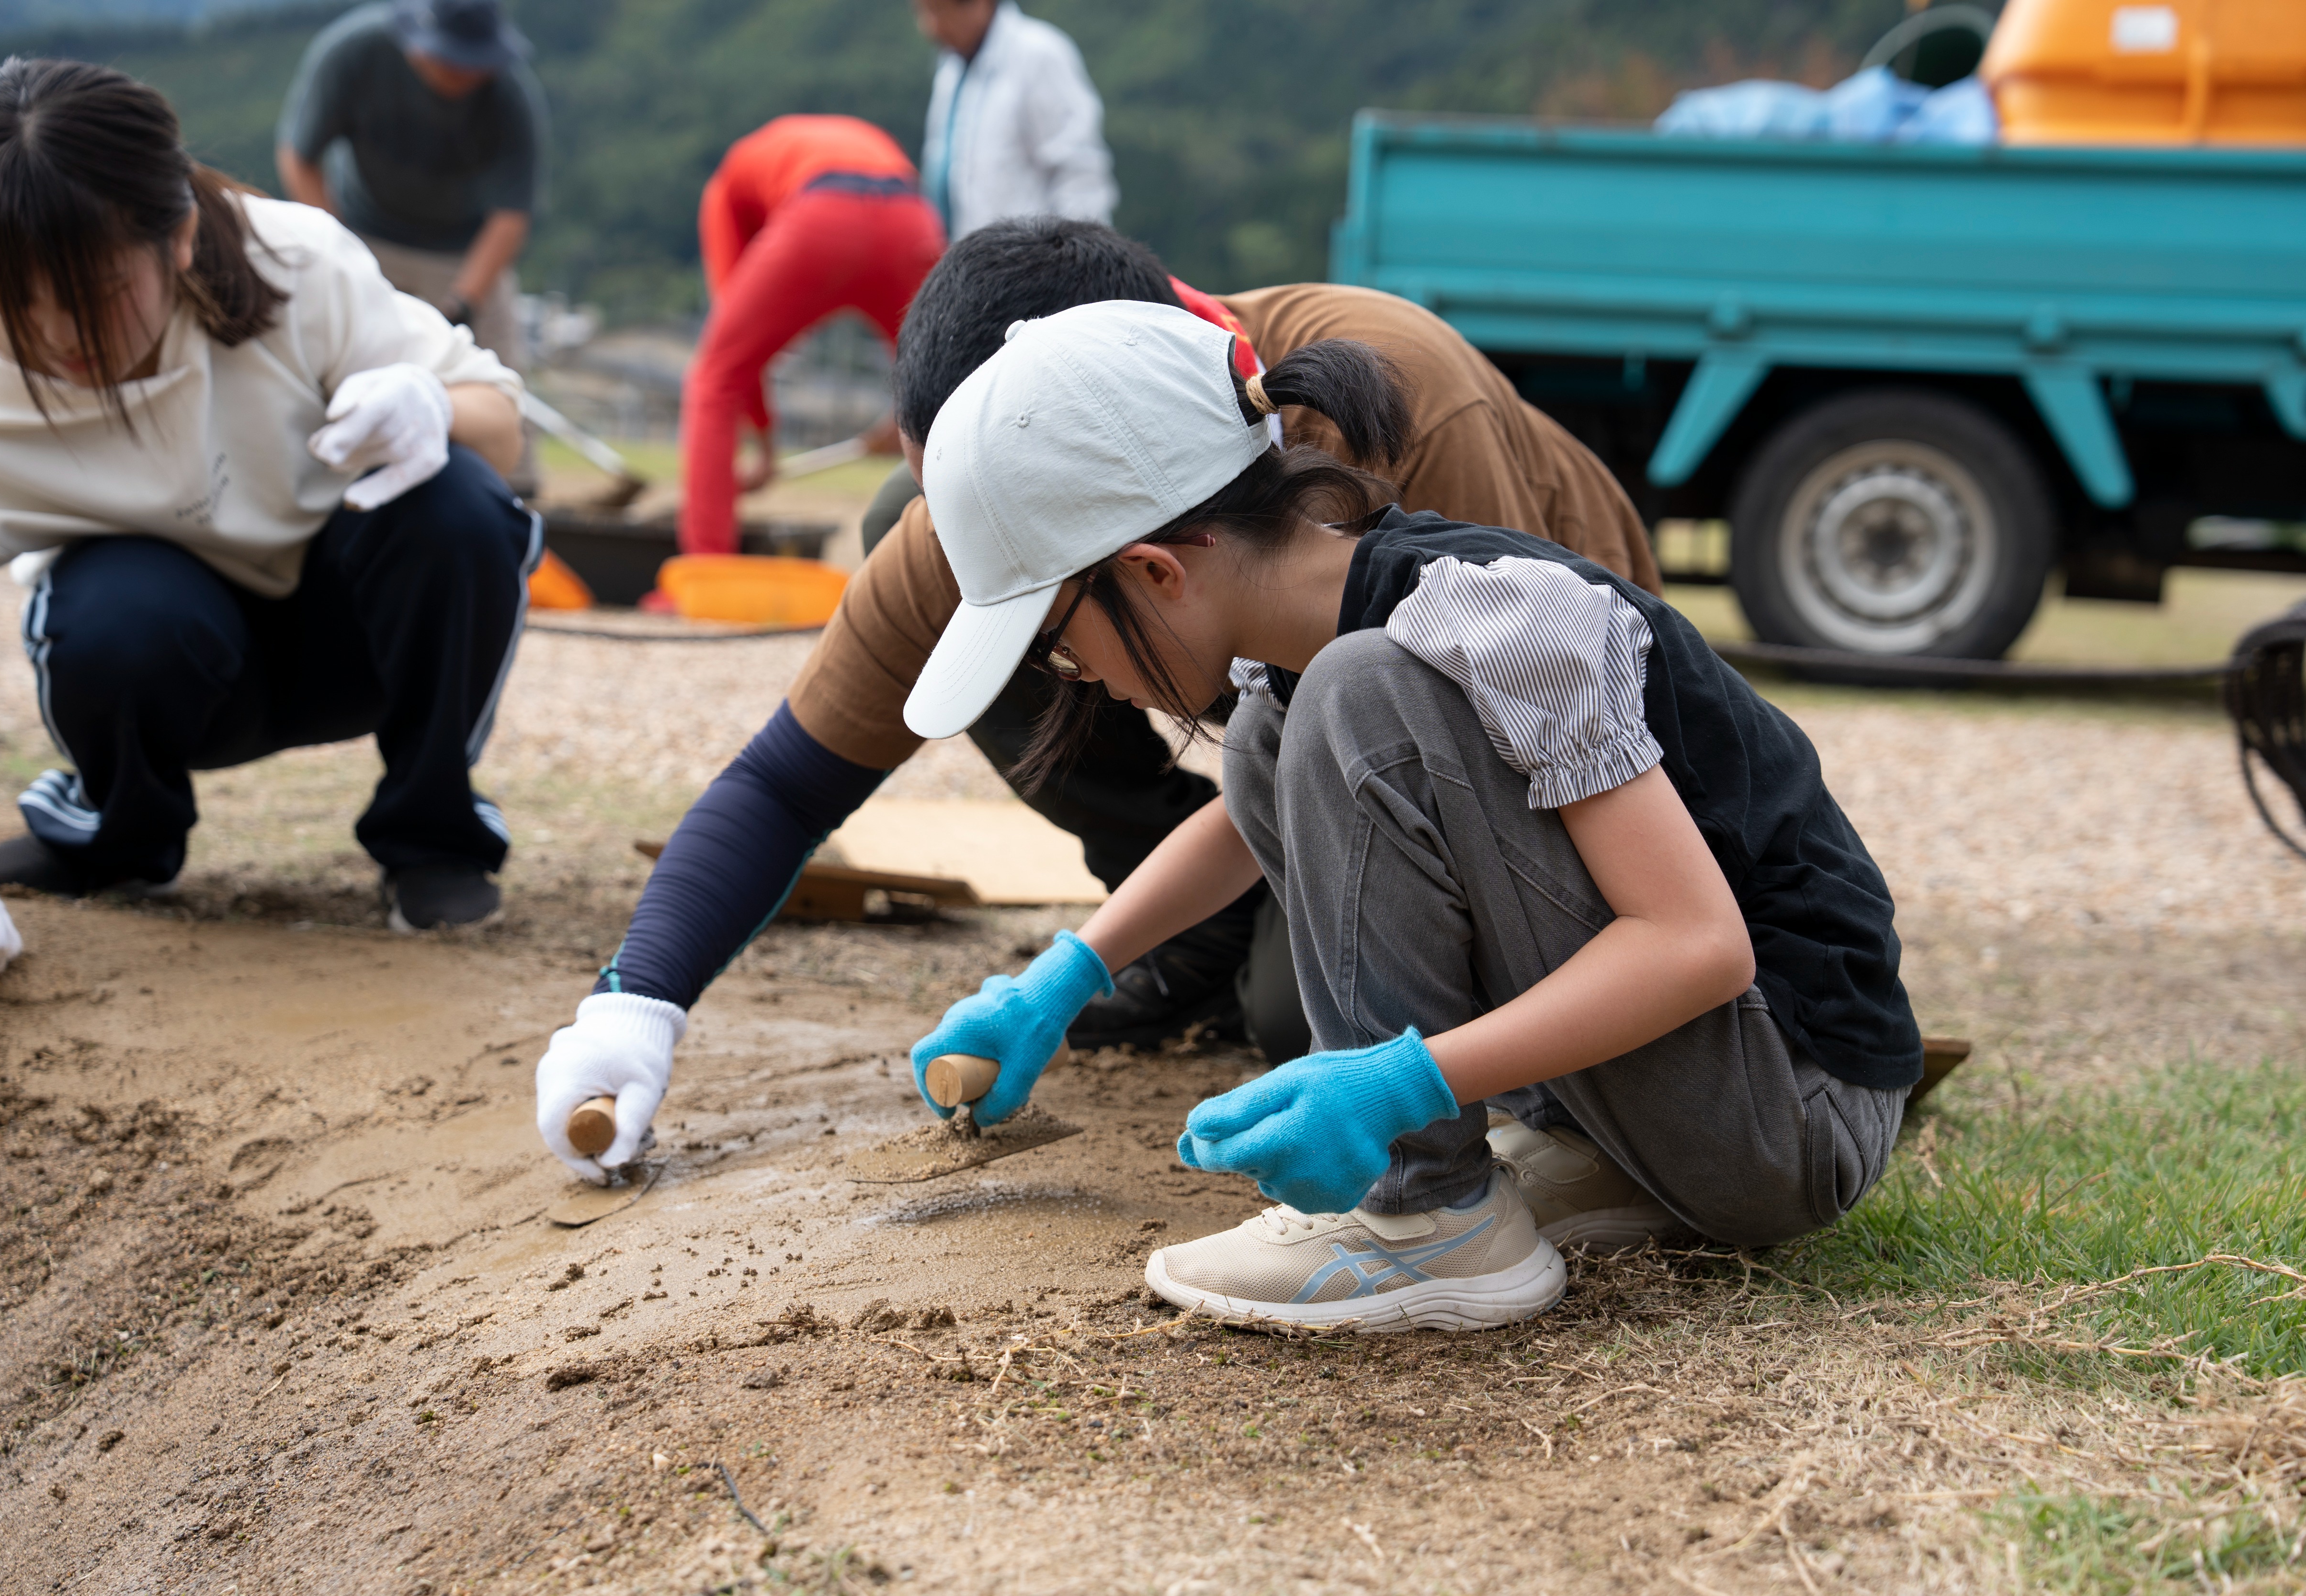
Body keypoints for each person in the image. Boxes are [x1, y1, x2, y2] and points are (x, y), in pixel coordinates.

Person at [530, 220, 1660, 1184]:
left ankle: (1273, 960)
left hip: (1541, 759)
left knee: (1302, 1018)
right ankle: (1197, 926)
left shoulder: (1394, 404)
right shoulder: (1005, 491)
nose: (1057, 666)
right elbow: (788, 779)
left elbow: (1502, 733)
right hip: (1308, 751)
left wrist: (1414, 1080)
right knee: (937, 567)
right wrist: (635, 1003)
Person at [895, 300, 1920, 1331]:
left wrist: (1398, 1086)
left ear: (1155, 571)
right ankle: (1587, 1152)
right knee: (1268, 738)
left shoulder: (1487, 619)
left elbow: (1698, 944)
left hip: (1792, 1114)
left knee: (1354, 695)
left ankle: (1425, 1218)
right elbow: (1240, 830)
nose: (1079, 676)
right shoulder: (1316, 635)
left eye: (1060, 645)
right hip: (1706, 1093)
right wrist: (1062, 979)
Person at [0, 58, 536, 957]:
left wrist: (434, 404)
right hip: (161, 656)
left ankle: (432, 834)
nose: (57, 335)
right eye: (18, 300)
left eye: (96, 297)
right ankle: (121, 833)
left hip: (355, 636)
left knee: (460, 503)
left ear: (179, 238)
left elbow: (502, 428)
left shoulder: (294, 263)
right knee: (115, 606)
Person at [276, 0, 545, 475]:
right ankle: (321, 471)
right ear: (416, 45)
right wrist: (339, 251)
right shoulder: (353, 53)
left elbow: (511, 215)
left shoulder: (508, 94)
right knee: (334, 360)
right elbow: (300, 158)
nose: (464, 73)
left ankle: (514, 493)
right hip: (364, 233)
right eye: (451, 60)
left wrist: (464, 302)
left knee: (499, 380)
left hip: (464, 250)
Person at [673, 115, 944, 559]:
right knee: (951, 383)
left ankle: (705, 563)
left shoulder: (726, 186)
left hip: (821, 217)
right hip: (910, 216)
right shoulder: (843, 139)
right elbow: (929, 380)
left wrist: (764, 444)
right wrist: (903, 420)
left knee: (714, 378)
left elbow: (737, 361)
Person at [915, 0, 1115, 241]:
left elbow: (1079, 175)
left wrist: (1077, 256)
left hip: (1030, 260)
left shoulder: (1039, 55)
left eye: (938, 11)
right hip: (965, 258)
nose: (931, 28)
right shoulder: (951, 69)